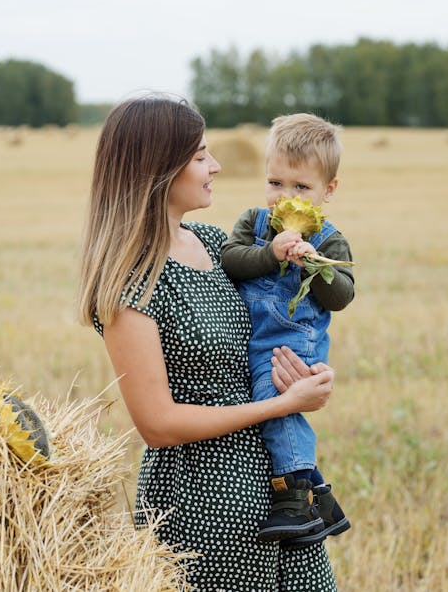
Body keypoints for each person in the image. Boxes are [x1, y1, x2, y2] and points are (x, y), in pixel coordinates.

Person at [77, 95, 339, 591]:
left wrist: (306, 374)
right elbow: (158, 425)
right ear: (159, 169)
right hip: (206, 507)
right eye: (200, 155)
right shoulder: (129, 286)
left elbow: (272, 326)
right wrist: (279, 405)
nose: (216, 166)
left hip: (281, 489)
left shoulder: (214, 241)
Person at [221, 113, 354, 548]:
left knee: (274, 400)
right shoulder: (253, 223)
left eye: (301, 188)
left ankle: (294, 492)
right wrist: (269, 254)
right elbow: (230, 260)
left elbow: (344, 295)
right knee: (271, 402)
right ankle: (321, 498)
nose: (285, 197)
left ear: (328, 191)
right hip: (258, 338)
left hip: (296, 342)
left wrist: (316, 265)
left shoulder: (330, 239)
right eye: (276, 184)